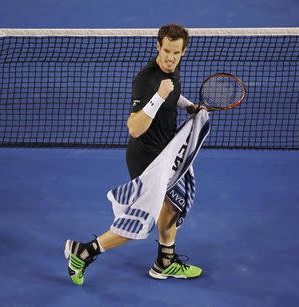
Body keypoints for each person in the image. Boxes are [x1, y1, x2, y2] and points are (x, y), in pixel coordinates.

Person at [64, 24, 204, 285]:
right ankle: (82, 253)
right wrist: (158, 98)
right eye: (165, 51)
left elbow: (172, 91)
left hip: (164, 153)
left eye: (176, 52)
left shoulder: (171, 71)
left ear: (184, 51)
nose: (170, 58)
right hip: (146, 158)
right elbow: (135, 128)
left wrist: (188, 105)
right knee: (139, 222)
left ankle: (165, 261)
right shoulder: (146, 80)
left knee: (173, 207)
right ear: (157, 47)